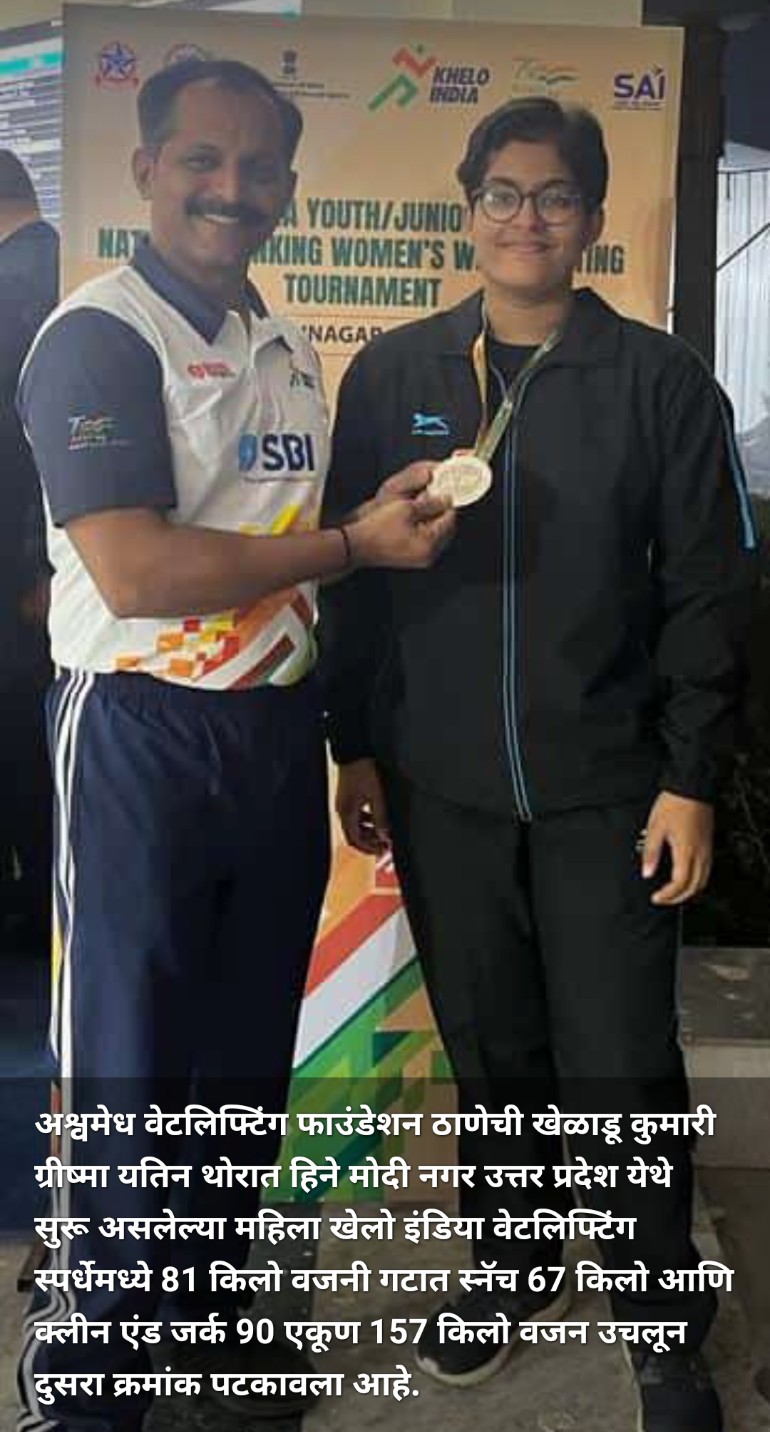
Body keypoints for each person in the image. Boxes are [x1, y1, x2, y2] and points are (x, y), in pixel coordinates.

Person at [16, 57, 453, 1432]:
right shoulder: (98, 336)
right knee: (130, 1067)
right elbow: (137, 568)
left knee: (241, 1062)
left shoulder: (285, 342)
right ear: (145, 169)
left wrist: (366, 525)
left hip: (270, 730)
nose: (232, 188)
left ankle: (202, 1320)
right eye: (203, 159)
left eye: (260, 166)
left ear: (286, 187)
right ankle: (91, 1375)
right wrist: (351, 545)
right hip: (137, 731)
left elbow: (281, 544)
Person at [318, 97, 757, 1432]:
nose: (526, 218)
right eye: (501, 193)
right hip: (441, 789)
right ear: (467, 209)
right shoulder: (393, 372)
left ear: (591, 218)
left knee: (619, 1056)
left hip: (607, 789)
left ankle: (656, 1315)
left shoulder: (657, 382)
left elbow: (707, 591)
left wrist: (689, 776)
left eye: (554, 195)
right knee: (491, 1043)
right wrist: (354, 742)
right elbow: (353, 581)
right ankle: (509, 1262)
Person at [0, 150, 58, 958]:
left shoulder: (17, 289)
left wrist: (31, 567)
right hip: (52, 569)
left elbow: (22, 451)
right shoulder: (73, 268)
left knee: (21, 750)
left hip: (23, 578)